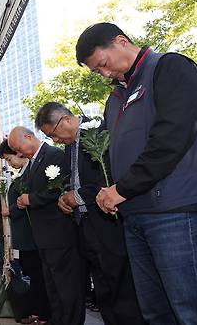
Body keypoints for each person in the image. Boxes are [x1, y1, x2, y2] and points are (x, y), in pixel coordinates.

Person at [77, 22, 197, 324]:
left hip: (175, 212)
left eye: (103, 64)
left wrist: (122, 189)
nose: (104, 74)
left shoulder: (169, 67)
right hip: (135, 215)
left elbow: (170, 139)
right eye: (97, 72)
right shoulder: (115, 98)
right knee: (155, 312)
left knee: (194, 312)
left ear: (121, 41)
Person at [36, 102, 145, 325]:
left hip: (108, 223)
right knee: (102, 289)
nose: (54, 141)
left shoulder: (99, 132)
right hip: (84, 226)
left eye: (53, 134)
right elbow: (73, 181)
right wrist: (64, 196)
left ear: (65, 120)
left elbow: (108, 177)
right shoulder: (69, 147)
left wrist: (76, 197)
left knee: (120, 287)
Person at [8, 127, 82, 325]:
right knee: (53, 285)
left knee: (66, 285)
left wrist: (30, 199)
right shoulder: (34, 162)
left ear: (29, 137)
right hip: (43, 235)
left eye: (18, 148)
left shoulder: (54, 155)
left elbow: (58, 192)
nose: (19, 153)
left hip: (58, 232)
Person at [0, 140, 50, 324]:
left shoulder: (31, 172)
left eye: (9, 158)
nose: (9, 163)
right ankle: (38, 311)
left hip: (31, 234)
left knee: (39, 276)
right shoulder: (22, 174)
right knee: (34, 276)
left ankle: (44, 314)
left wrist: (11, 209)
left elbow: (27, 202)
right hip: (23, 235)